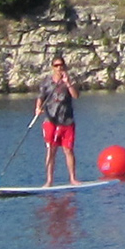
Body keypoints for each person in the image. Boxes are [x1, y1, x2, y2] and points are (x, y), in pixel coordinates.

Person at [35, 56, 81, 187]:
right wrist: (38, 108)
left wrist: (68, 83)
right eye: (56, 65)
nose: (59, 68)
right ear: (52, 67)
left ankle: (73, 178)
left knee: (68, 150)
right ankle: (49, 180)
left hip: (67, 120)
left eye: (61, 65)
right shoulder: (47, 82)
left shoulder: (69, 82)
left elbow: (75, 96)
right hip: (51, 120)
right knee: (51, 150)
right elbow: (40, 97)